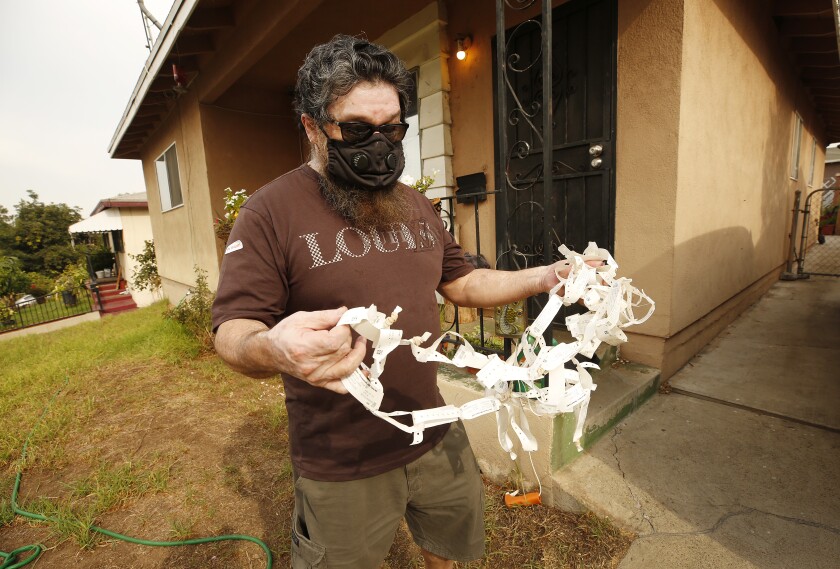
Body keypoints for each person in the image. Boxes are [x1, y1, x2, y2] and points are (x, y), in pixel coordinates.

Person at [212, 34, 584, 569]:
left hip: (433, 429)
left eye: (392, 129)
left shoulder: (413, 205)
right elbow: (232, 330)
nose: (380, 144)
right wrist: (272, 347)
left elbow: (460, 283)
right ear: (313, 126)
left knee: (449, 552)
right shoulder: (270, 213)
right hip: (343, 459)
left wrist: (546, 276)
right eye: (359, 129)